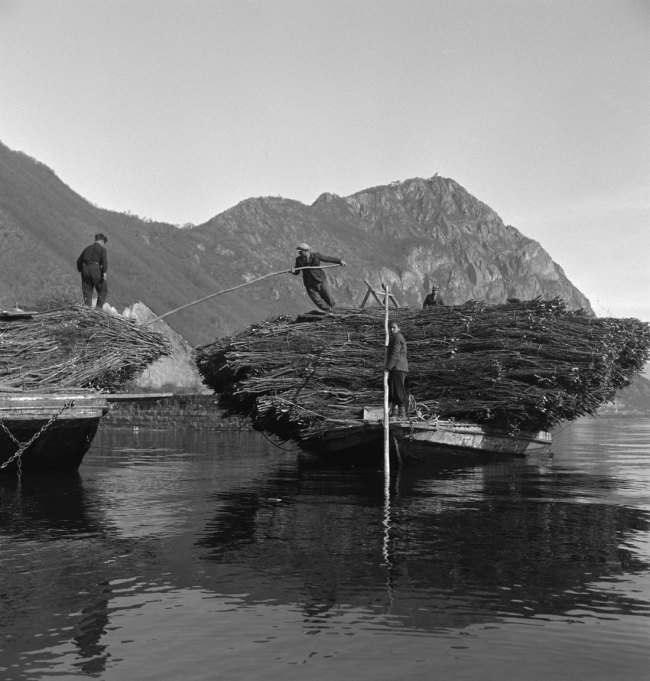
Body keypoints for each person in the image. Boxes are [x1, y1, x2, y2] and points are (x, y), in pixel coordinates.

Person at [292, 243, 346, 311]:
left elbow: (327, 258)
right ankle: (329, 311)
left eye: (300, 252)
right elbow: (297, 271)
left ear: (306, 251)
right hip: (310, 284)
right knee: (318, 302)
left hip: (321, 280)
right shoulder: (299, 260)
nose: (299, 253)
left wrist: (339, 261)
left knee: (329, 298)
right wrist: (293, 271)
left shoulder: (316, 256)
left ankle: (336, 310)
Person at [76, 233, 108, 308]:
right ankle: (98, 309)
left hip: (85, 269)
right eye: (103, 244)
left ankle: (87, 309)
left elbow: (79, 261)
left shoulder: (87, 248)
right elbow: (104, 262)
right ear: (102, 242)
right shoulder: (102, 249)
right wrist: (104, 272)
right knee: (103, 289)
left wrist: (81, 270)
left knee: (87, 292)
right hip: (96, 269)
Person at [385, 320, 409, 418]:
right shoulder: (394, 338)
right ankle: (394, 412)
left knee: (398, 390)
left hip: (398, 367)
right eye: (390, 327)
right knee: (393, 389)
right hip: (397, 367)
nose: (391, 329)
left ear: (398, 328)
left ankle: (402, 413)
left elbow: (395, 354)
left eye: (394, 327)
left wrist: (388, 367)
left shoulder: (398, 337)